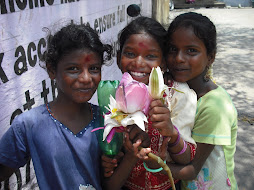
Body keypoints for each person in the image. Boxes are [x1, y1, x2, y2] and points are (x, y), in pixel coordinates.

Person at [0, 23, 112, 190]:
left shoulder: (107, 121)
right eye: (73, 69)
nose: (86, 78)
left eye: (94, 68)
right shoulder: (29, 125)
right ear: (52, 71)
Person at [103, 16, 197, 190]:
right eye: (130, 54)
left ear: (163, 63)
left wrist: (172, 134)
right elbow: (112, 149)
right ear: (118, 58)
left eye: (151, 56)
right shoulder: (116, 94)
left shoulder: (178, 95)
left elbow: (188, 158)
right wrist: (112, 159)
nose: (138, 63)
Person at [160, 12, 238, 189]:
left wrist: (144, 166)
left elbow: (191, 170)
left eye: (191, 51)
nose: (179, 58)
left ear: (210, 57)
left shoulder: (214, 106)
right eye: (173, 49)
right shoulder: (176, 91)